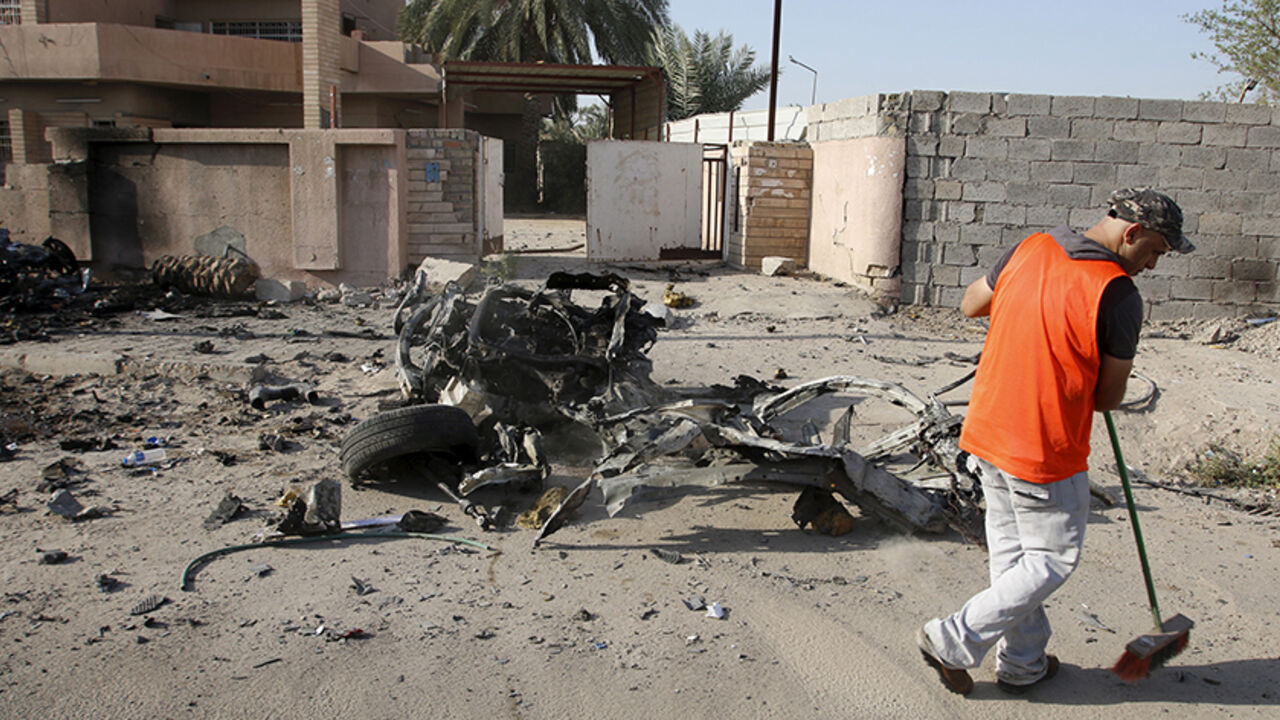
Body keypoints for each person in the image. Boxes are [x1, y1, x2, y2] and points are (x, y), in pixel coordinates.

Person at [917, 187, 1195, 695]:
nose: (1153, 265)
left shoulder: (1032, 247)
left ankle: (1022, 663)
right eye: (1155, 250)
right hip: (1042, 447)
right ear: (1132, 233)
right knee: (1050, 560)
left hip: (988, 431)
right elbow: (1108, 398)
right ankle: (952, 638)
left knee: (1013, 559)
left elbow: (972, 303)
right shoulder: (1118, 295)